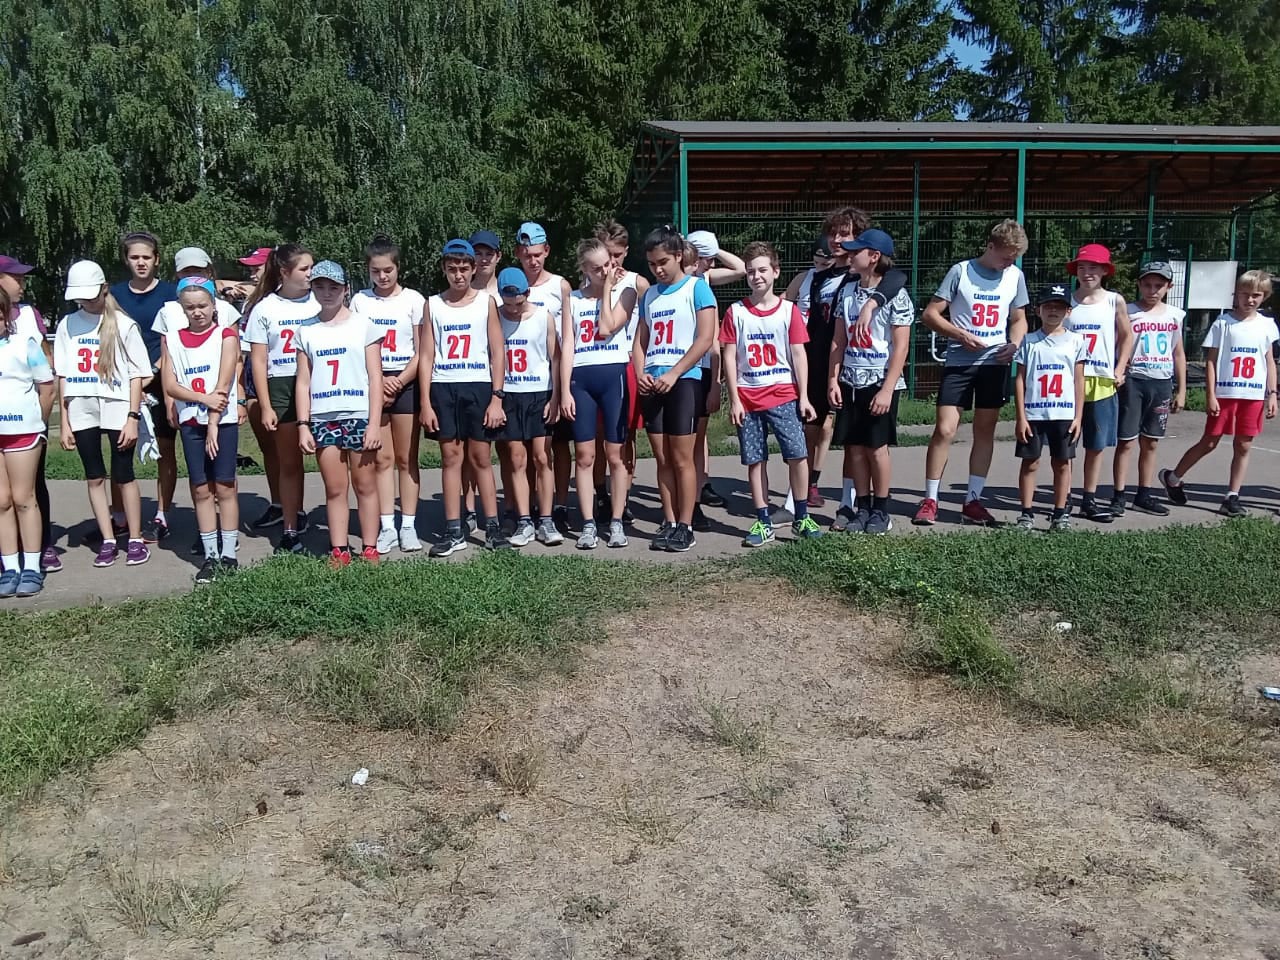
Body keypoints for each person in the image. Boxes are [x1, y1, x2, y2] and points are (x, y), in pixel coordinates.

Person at [782, 210, 906, 520]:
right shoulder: (815, 275)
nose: (837, 240)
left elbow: (897, 277)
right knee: (809, 430)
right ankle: (795, 501)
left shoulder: (866, 278)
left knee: (858, 443)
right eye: (833, 233)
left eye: (846, 234)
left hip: (861, 370)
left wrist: (873, 302)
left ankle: (851, 504)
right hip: (819, 364)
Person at [914, 218, 1029, 527]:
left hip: (995, 363)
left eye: (1014, 258)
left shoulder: (1015, 276)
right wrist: (960, 334)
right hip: (960, 361)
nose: (1009, 263)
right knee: (945, 429)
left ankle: (973, 500)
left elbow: (1019, 318)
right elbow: (930, 314)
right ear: (990, 246)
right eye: (1005, 257)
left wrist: (1014, 344)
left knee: (985, 430)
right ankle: (930, 499)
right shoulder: (961, 272)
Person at [720, 241, 821, 547]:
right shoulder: (736, 312)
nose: (757, 276)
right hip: (749, 398)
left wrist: (804, 396)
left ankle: (801, 515)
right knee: (755, 460)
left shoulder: (789, 311)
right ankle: (763, 520)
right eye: (751, 271)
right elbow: (729, 357)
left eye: (763, 270)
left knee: (798, 455)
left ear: (776, 272)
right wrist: (734, 399)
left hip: (784, 394)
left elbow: (799, 355)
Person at [55, 260, 152, 567]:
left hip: (118, 407)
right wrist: (65, 422)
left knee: (123, 474)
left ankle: (135, 538)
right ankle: (108, 539)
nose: (85, 302)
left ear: (104, 289)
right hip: (82, 407)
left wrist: (133, 418)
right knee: (94, 475)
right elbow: (62, 375)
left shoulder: (124, 325)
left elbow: (138, 375)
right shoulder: (67, 324)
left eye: (90, 295)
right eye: (80, 297)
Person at [1161, 270, 1279, 517]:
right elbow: (1211, 362)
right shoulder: (1223, 323)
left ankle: (1232, 496)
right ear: (1236, 294)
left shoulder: (1267, 325)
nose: (1249, 299)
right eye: (1244, 294)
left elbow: (1269, 362)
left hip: (1253, 396)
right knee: (1210, 441)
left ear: (1264, 296)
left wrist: (1272, 394)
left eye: (1256, 295)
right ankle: (1173, 478)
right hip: (1225, 393)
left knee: (1243, 445)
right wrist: (1211, 395)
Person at [419, 238, 510, 555]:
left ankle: (492, 528)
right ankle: (453, 529)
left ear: (473, 269)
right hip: (444, 386)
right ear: (444, 269)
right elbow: (426, 356)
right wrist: (425, 402)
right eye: (452, 269)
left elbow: (498, 352)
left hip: (478, 386)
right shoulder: (433, 304)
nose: (458, 275)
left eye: (463, 269)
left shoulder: (486, 302)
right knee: (450, 459)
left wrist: (497, 397)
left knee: (481, 458)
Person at [153, 246, 244, 555]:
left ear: (213, 305)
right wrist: (200, 399)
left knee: (225, 485)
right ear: (182, 308)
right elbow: (171, 384)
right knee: (200, 487)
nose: (197, 312)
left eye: (203, 306)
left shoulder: (226, 336)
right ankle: (210, 553)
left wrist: (214, 421)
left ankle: (228, 552)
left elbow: (224, 382)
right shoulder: (173, 338)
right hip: (192, 419)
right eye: (190, 307)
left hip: (222, 420)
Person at [633, 226, 717, 552]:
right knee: (662, 458)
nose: (658, 269)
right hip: (653, 382)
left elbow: (705, 338)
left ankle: (686, 525)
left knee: (682, 459)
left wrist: (675, 372)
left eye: (663, 262)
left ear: (679, 256)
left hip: (684, 380)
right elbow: (640, 341)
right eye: (652, 264)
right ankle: (668, 522)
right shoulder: (649, 296)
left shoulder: (697, 288)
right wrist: (641, 372)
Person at [296, 261, 385, 566]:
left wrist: (374, 424)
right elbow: (303, 381)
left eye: (333, 287)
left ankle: (370, 547)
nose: (326, 293)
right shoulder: (306, 330)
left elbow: (376, 378)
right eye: (319, 286)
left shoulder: (364, 325)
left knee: (365, 485)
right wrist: (303, 425)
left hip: (359, 415)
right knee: (335, 488)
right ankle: (339, 549)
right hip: (324, 418)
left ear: (345, 289)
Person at [827, 229, 914, 535]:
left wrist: (887, 389)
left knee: (877, 448)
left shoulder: (896, 296)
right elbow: (838, 340)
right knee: (854, 448)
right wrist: (833, 379)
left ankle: (881, 510)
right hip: (850, 380)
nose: (850, 256)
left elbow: (901, 347)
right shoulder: (848, 291)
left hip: (879, 381)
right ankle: (861, 507)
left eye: (856, 251)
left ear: (874, 256)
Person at [350, 235, 426, 553]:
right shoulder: (360, 301)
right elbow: (355, 345)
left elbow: (423, 350)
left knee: (406, 458)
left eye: (388, 270)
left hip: (406, 381)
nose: (382, 277)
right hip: (374, 383)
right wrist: (379, 381)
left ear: (398, 268)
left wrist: (399, 380)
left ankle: (408, 525)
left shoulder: (414, 300)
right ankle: (387, 526)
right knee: (381, 458)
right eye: (375, 271)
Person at [244, 244, 319, 553]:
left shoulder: (320, 301)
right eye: (304, 268)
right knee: (289, 461)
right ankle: (290, 526)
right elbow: (259, 361)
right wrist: (265, 404)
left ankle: (341, 529)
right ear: (285, 272)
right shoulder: (265, 308)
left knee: (332, 461)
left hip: (319, 384)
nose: (311, 273)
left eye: (312, 266)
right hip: (282, 386)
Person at [562, 238, 636, 549]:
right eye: (597, 269)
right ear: (584, 269)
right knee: (584, 455)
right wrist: (564, 390)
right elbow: (568, 344)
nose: (605, 271)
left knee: (616, 454)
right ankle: (588, 523)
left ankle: (616, 521)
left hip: (613, 374)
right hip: (582, 378)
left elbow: (607, 328)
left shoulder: (626, 293)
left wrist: (606, 289)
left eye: (608, 264)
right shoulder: (572, 299)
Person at [109, 232, 178, 543]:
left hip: (161, 380)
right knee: (119, 449)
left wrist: (153, 373)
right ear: (126, 260)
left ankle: (162, 514)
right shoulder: (114, 295)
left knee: (165, 449)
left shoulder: (171, 294)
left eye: (146, 257)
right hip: (124, 385)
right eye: (134, 257)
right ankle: (119, 516)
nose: (141, 262)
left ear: (156, 260)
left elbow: (175, 339)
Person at [1064, 243, 1133, 522]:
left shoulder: (1114, 300)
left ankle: (1089, 499)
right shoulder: (1066, 301)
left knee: (1096, 445)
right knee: (1067, 444)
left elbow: (1127, 336)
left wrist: (1120, 368)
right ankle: (1064, 497)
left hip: (1102, 381)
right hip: (1070, 383)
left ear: (1105, 270)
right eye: (1082, 267)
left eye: (1093, 267)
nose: (1087, 272)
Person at [1111, 261, 1186, 516]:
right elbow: (1117, 344)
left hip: (1161, 382)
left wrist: (1181, 390)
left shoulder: (1175, 315)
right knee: (1126, 441)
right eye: (1147, 284)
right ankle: (1119, 495)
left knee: (1151, 442)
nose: (1152, 290)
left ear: (1168, 287)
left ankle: (1144, 494)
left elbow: (1178, 353)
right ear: (1139, 284)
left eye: (1158, 285)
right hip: (1134, 381)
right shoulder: (1129, 312)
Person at [515, 222, 575, 533]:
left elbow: (568, 334)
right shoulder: (511, 285)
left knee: (557, 446)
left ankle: (560, 505)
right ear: (518, 253)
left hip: (556, 378)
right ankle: (529, 508)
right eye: (527, 255)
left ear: (547, 251)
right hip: (523, 380)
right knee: (526, 450)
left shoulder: (560, 286)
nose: (533, 261)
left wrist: (562, 387)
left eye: (537, 254)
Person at [0, 255, 58, 573]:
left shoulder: (28, 315)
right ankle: (8, 557)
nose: (22, 284)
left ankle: (41, 548)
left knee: (32, 487)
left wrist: (40, 418)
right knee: (3, 497)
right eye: (16, 278)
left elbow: (46, 365)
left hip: (27, 422)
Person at [1013, 284, 1087, 532]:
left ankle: (1059, 514)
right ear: (1038, 310)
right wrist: (1021, 417)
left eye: (1059, 307)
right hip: (1034, 414)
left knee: (1062, 463)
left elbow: (1079, 380)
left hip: (1064, 414)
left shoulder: (1076, 341)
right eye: (1048, 306)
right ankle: (1026, 513)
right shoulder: (1029, 341)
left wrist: (1078, 416)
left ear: (1068, 311)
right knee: (1030, 462)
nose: (1053, 311)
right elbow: (1020, 379)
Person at [683, 230, 744, 529]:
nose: (711, 264)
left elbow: (740, 269)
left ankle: (695, 497)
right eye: (707, 258)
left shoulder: (704, 280)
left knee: (697, 439)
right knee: (680, 443)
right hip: (677, 369)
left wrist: (715, 381)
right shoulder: (669, 285)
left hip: (702, 368)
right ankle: (682, 502)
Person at [496, 266, 561, 546]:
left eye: (518, 303)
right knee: (516, 458)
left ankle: (546, 520)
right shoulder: (496, 317)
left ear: (528, 294)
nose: (513, 309)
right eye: (508, 304)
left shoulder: (543, 318)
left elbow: (555, 359)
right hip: (510, 394)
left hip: (539, 393)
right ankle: (523, 520)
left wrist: (556, 397)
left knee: (542, 457)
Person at [592, 219, 648, 526]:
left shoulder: (638, 284)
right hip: (596, 363)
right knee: (599, 436)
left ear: (626, 252)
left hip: (626, 362)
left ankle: (623, 495)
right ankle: (601, 494)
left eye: (616, 254)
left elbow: (648, 327)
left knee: (626, 436)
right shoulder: (589, 280)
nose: (611, 261)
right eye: (606, 254)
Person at [470, 230, 502, 300]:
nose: (484, 260)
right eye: (478, 254)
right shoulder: (463, 293)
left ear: (498, 257)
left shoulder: (507, 292)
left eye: (489, 254)